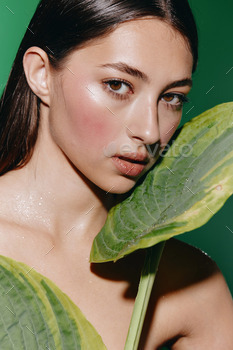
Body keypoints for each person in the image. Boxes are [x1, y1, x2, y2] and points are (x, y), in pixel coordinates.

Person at [0, 0, 233, 348]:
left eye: (171, 97)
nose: (151, 131)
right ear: (41, 74)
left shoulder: (190, 283)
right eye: (118, 85)